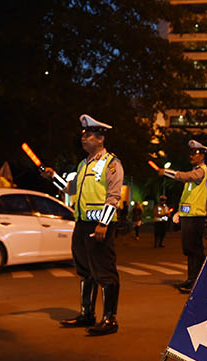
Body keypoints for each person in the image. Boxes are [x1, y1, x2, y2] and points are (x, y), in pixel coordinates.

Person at [42, 114, 123, 335]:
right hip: (83, 225)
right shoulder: (83, 164)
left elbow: (114, 196)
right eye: (83, 135)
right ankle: (87, 313)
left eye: (87, 135)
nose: (83, 138)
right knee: (85, 271)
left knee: (104, 271)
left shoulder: (112, 163)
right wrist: (54, 177)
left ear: (100, 138)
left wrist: (103, 223)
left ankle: (110, 319)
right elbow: (70, 189)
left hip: (100, 225)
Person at [158, 139, 207, 293]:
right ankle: (191, 280)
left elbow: (185, 176)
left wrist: (166, 172)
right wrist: (179, 213)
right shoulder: (196, 171)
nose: (191, 156)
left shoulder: (200, 171)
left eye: (195, 153)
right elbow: (188, 198)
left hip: (196, 217)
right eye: (191, 153)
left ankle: (198, 281)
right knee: (189, 249)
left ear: (202, 155)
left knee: (195, 250)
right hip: (189, 217)